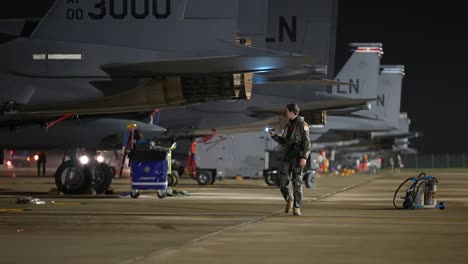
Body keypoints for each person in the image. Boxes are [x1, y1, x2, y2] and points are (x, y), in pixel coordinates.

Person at [269, 103, 311, 216]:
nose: (285, 113)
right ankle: (289, 199)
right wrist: (274, 136)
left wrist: (304, 157)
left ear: (292, 112)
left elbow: (307, 143)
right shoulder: (288, 125)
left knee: (297, 183)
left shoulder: (302, 125)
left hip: (297, 157)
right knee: (282, 182)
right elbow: (285, 142)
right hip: (287, 157)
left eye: (287, 111)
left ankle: (297, 207)